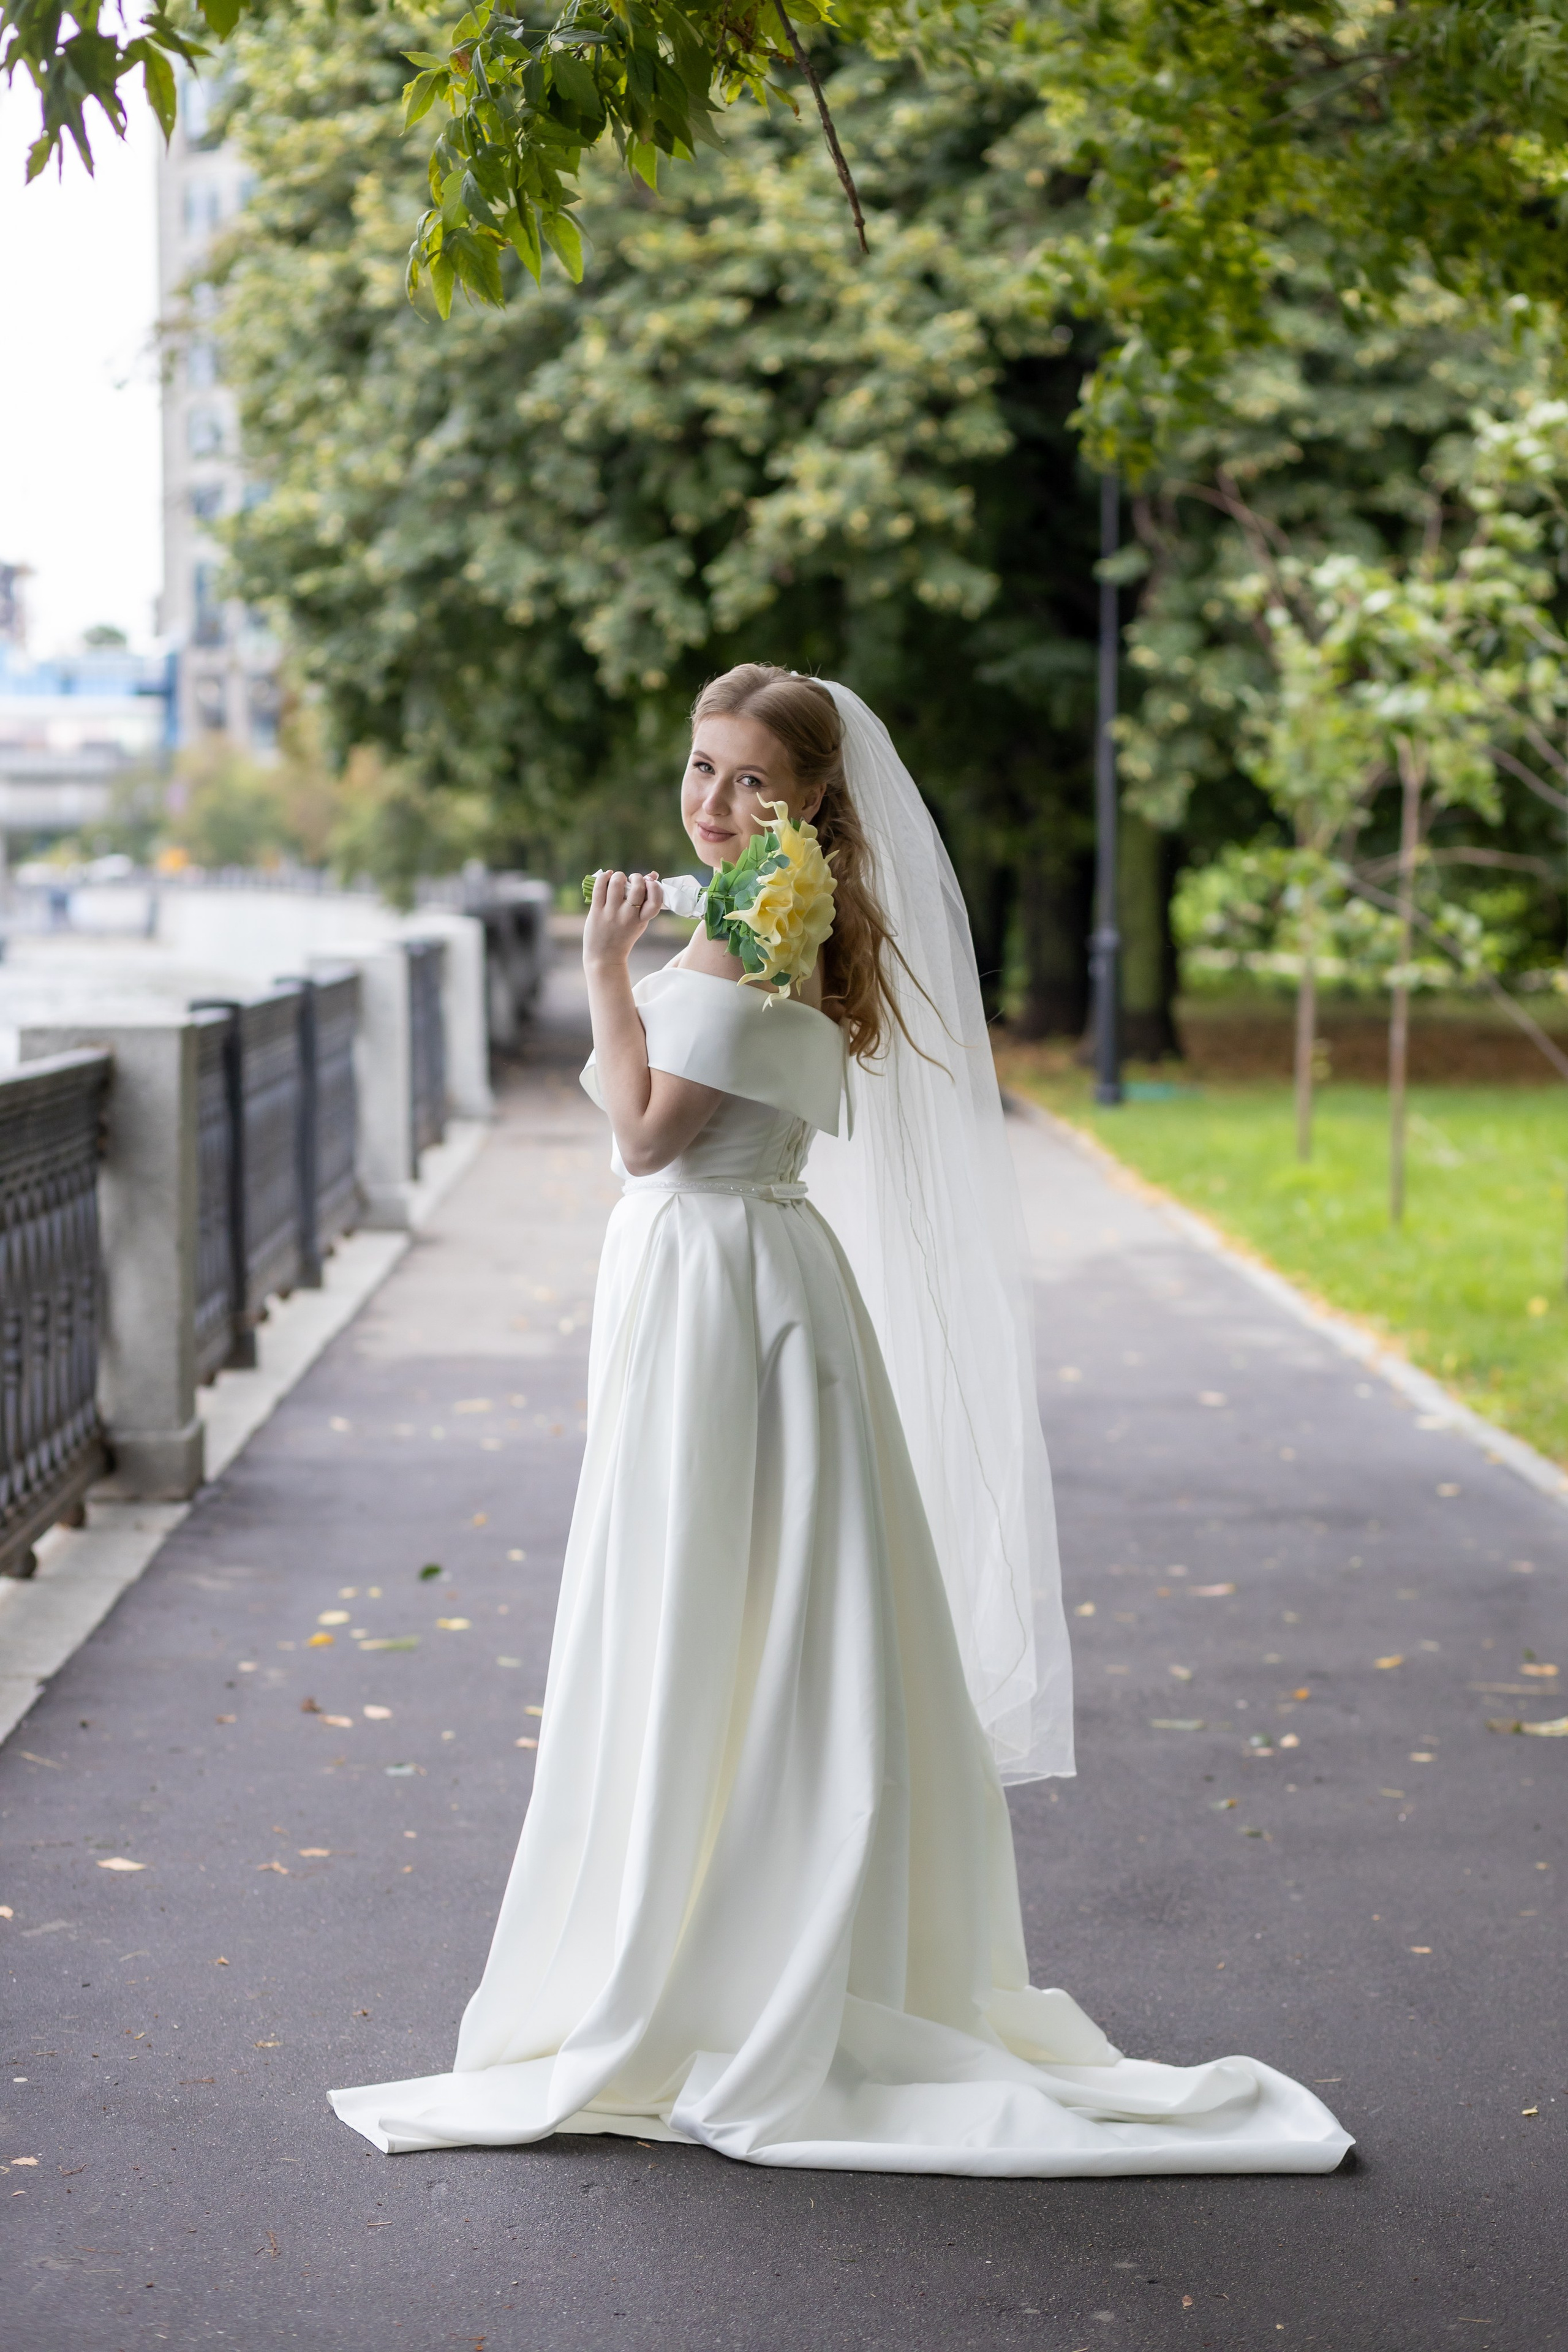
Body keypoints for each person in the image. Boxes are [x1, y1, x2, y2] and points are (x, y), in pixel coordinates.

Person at [330, 666, 1351, 2174]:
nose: (713, 801)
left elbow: (642, 1136)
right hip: (736, 1279)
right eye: (699, 767)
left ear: (808, 797)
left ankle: (716, 1954)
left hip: (725, 1285)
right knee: (743, 1601)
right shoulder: (766, 913)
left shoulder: (754, 931)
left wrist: (607, 966)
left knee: (714, 1599)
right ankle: (722, 1926)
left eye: (749, 781)